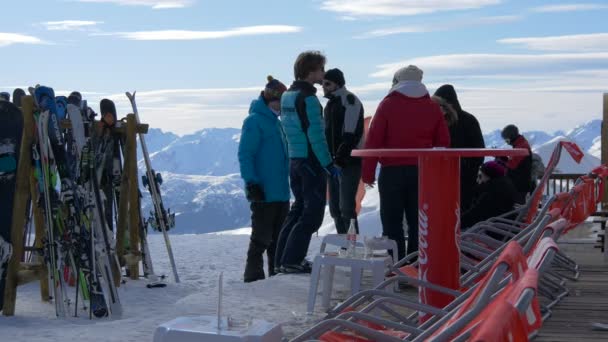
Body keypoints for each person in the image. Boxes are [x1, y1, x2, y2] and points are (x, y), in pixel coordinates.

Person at [362, 65, 450, 261]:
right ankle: (415, 265)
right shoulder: (432, 107)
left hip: (391, 172)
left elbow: (373, 140)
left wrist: (367, 173)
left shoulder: (387, 105)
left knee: (392, 221)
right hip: (422, 172)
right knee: (417, 222)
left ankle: (395, 267)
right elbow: (443, 142)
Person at [275, 51, 339, 274]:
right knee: (311, 214)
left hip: (295, 159)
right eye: (321, 69)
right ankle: (293, 260)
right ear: (311, 71)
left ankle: (281, 259)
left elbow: (286, 130)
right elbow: (316, 136)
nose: (323, 73)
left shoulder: (287, 96)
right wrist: (328, 164)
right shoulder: (309, 99)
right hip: (311, 160)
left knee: (298, 209)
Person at [238, 76, 290, 283]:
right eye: (281, 102)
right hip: (263, 190)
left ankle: (275, 277)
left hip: (281, 191)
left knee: (278, 238)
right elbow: (245, 154)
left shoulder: (276, 123)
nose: (283, 106)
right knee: (261, 238)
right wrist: (251, 182)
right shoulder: (254, 121)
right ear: (272, 100)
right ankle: (253, 278)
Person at [322, 68, 364, 234]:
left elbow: (350, 133)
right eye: (323, 83)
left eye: (327, 83)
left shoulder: (349, 100)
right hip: (333, 162)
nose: (323, 87)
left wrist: (339, 159)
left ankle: (353, 247)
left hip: (348, 162)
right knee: (334, 209)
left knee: (346, 207)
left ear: (337, 83)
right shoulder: (330, 104)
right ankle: (343, 246)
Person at [433, 84, 485, 211]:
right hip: (466, 177)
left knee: (443, 210)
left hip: (444, 176)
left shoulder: (437, 122)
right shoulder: (470, 119)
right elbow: (480, 150)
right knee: (460, 211)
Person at [461, 161, 518, 229]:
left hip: (494, 229)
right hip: (507, 224)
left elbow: (476, 213)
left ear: (488, 176)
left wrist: (457, 223)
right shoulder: (505, 183)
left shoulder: (491, 191)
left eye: (480, 176)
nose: (478, 180)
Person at [501, 124, 533, 204]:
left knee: (516, 208)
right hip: (519, 184)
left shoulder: (521, 147)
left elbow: (512, 165)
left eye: (507, 140)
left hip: (519, 185)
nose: (507, 142)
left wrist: (502, 158)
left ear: (511, 136)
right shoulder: (520, 144)